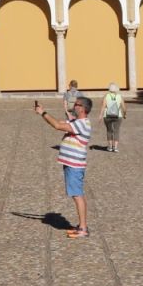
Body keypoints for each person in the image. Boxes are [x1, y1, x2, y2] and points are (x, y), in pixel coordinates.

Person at [34, 95, 92, 237]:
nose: (75, 106)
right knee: (77, 194)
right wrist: (44, 114)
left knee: (77, 195)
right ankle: (82, 226)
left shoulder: (82, 124)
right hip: (72, 164)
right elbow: (58, 122)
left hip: (75, 166)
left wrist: (43, 112)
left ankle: (83, 229)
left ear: (83, 108)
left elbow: (58, 126)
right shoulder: (77, 122)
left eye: (77, 104)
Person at [103, 84, 125, 152]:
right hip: (118, 115)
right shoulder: (119, 96)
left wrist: (100, 115)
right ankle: (115, 147)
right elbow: (123, 107)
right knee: (116, 131)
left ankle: (109, 147)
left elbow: (103, 106)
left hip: (107, 115)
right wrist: (125, 114)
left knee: (109, 130)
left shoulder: (106, 96)